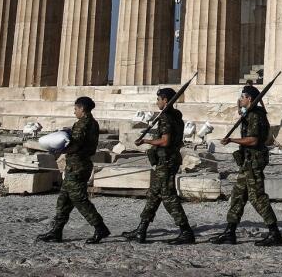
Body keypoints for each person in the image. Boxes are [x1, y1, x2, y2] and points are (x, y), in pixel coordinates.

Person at [210, 85, 282, 246]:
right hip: (247, 161)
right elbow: (242, 113)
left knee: (257, 197)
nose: (240, 99)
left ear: (249, 98)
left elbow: (253, 140)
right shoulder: (249, 113)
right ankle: (230, 232)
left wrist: (232, 140)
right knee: (238, 195)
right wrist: (239, 106)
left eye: (242, 97)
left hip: (254, 160)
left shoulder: (256, 116)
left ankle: (274, 232)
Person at [122, 87, 194, 244]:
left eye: (158, 99)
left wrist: (145, 141)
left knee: (168, 195)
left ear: (165, 100)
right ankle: (141, 229)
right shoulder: (176, 116)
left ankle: (186, 230)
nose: (157, 103)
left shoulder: (166, 117)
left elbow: (165, 141)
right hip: (168, 159)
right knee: (154, 195)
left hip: (166, 160)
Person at [37, 96, 109, 244]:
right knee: (64, 199)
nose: (74, 111)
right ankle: (56, 231)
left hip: (78, 166)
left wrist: (59, 150)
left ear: (82, 109)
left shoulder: (83, 124)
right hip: (76, 165)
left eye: (76, 108)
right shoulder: (92, 123)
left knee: (79, 200)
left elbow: (76, 144)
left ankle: (100, 227)